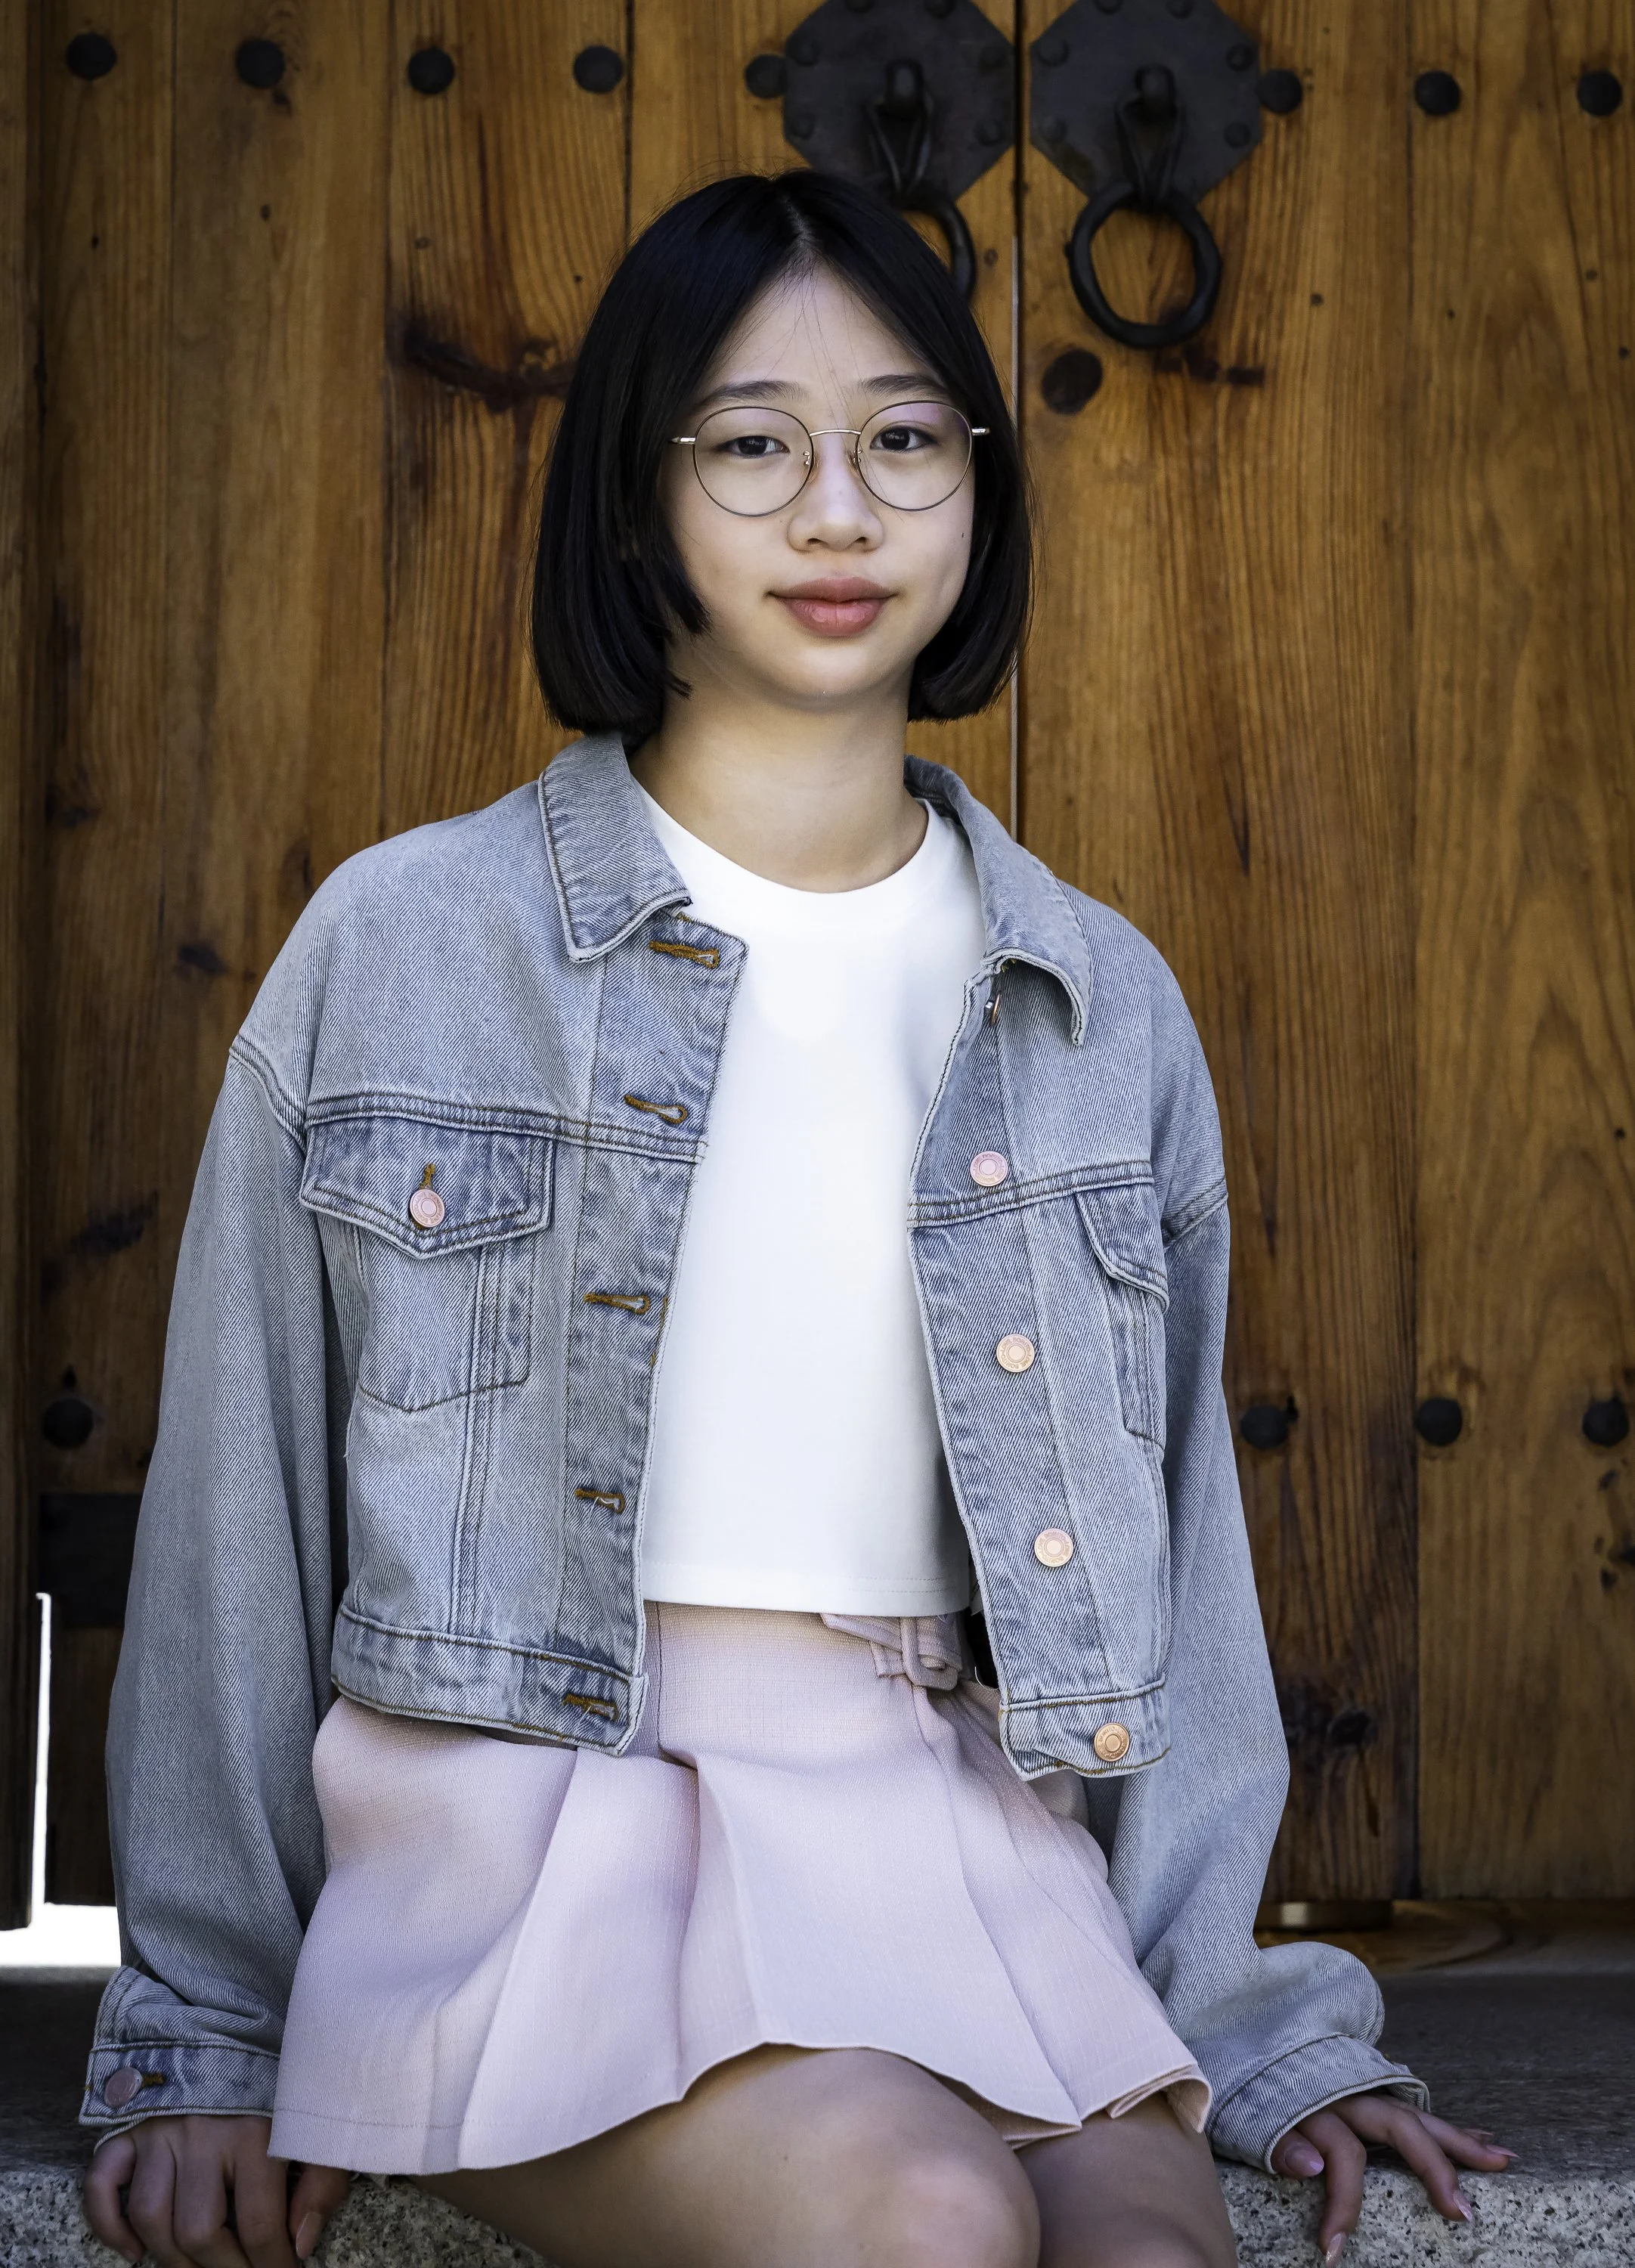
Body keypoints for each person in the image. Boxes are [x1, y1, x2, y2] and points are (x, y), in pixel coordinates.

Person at [80, 170, 1510, 2268]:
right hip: (533, 1834)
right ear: (639, 499)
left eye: (906, 439)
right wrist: (201, 2026)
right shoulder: (410, 944)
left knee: (1147, 2250)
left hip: (946, 1826)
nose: (839, 511)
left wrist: (1258, 2031)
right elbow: (237, 1503)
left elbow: (1185, 1568)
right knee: (917, 2218)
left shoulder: (1092, 996)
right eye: (753, 442)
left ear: (977, 491)